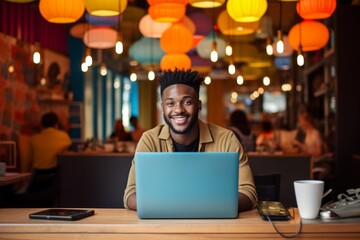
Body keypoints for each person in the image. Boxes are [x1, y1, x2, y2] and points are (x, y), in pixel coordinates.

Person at [123, 69, 258, 212]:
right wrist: (186, 206)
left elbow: (248, 193)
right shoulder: (149, 140)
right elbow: (130, 194)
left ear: (198, 105)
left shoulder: (226, 139)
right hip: (161, 228)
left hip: (214, 228)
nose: (179, 109)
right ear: (163, 107)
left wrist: (189, 206)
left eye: (187, 102)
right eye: (170, 103)